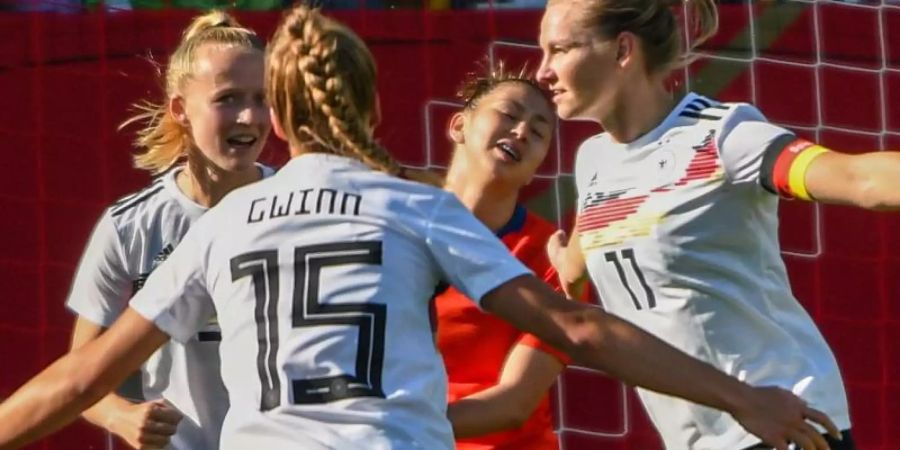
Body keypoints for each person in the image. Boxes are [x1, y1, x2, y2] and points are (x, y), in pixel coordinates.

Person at [0, 5, 839, 450]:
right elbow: (578, 328)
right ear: (376, 107)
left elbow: (76, 382)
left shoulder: (226, 223)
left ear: (281, 117)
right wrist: (742, 398)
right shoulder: (414, 206)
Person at [536, 0, 900, 449]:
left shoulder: (724, 136)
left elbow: (858, 180)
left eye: (559, 50)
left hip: (786, 421)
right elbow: (591, 243)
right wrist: (565, 266)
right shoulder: (593, 159)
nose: (542, 71)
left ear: (622, 51)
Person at [65, 10, 272, 449]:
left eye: (262, 98)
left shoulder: (299, 211)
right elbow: (79, 372)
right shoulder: (129, 226)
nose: (249, 117)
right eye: (228, 98)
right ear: (180, 109)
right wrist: (122, 415)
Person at [438, 65, 569, 449]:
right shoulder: (393, 228)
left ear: (536, 171)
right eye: (509, 114)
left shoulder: (552, 255)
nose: (522, 130)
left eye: (539, 131)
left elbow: (514, 403)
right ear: (459, 125)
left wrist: (391, 426)